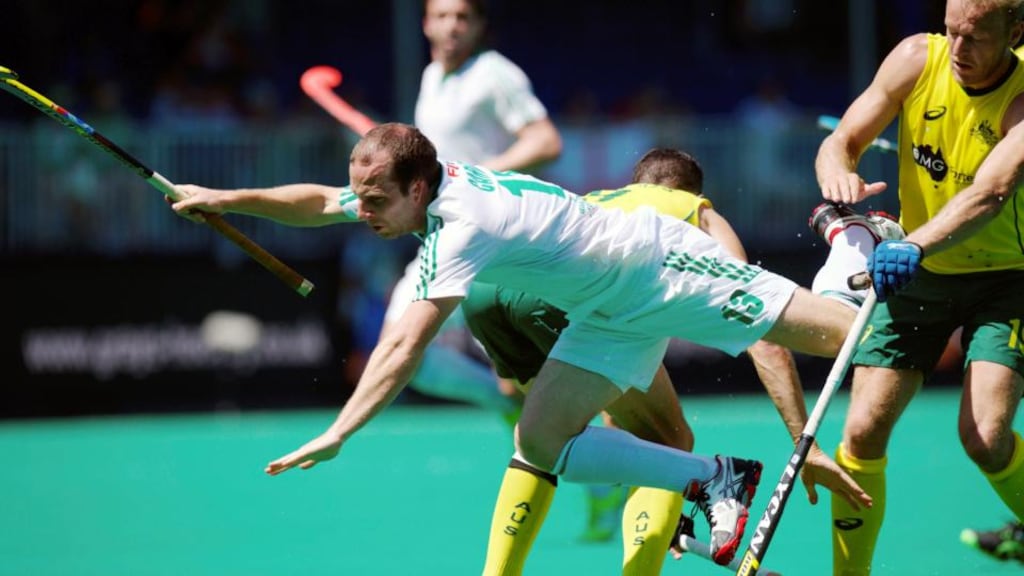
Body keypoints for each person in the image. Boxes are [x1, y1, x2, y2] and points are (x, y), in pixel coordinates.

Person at [171, 123, 871, 567]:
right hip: (603, 310)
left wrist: (340, 431)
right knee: (540, 441)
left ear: (417, 188)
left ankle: (846, 239)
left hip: (661, 268)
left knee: (845, 331)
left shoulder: (462, 226)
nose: (367, 213)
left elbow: (403, 348)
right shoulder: (424, 186)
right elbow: (324, 202)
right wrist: (225, 199)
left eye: (379, 201)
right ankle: (715, 478)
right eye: (368, 198)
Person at [472, 147, 871, 575]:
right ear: (692, 192)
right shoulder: (694, 212)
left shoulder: (600, 202)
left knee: (540, 440)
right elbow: (761, 325)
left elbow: (608, 392)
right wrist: (802, 444)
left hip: (487, 293)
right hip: (563, 298)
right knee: (668, 439)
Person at [813, 0, 1024, 573]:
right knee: (861, 431)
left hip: (1006, 279)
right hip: (920, 270)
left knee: (984, 436)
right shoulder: (915, 58)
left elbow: (991, 193)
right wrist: (838, 170)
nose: (958, 50)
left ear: (1016, 32)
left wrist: (912, 244)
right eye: (952, 31)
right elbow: (840, 140)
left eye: (976, 38)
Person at [378, 0, 562, 438]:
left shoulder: (494, 74)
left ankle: (605, 485)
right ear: (425, 24)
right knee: (402, 355)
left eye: (463, 17)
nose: (452, 26)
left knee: (534, 386)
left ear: (479, 24)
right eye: (442, 16)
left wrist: (481, 173)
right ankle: (504, 404)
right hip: (445, 240)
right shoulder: (431, 77)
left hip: (495, 245)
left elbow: (546, 141)